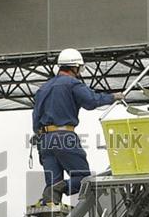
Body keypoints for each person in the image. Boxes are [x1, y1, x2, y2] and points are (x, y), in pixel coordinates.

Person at [32, 48, 120, 203]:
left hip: (44, 140)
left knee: (51, 189)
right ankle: (61, 187)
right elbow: (91, 101)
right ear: (75, 67)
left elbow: (35, 119)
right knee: (83, 179)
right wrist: (112, 97)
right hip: (64, 137)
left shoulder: (43, 89)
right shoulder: (72, 84)